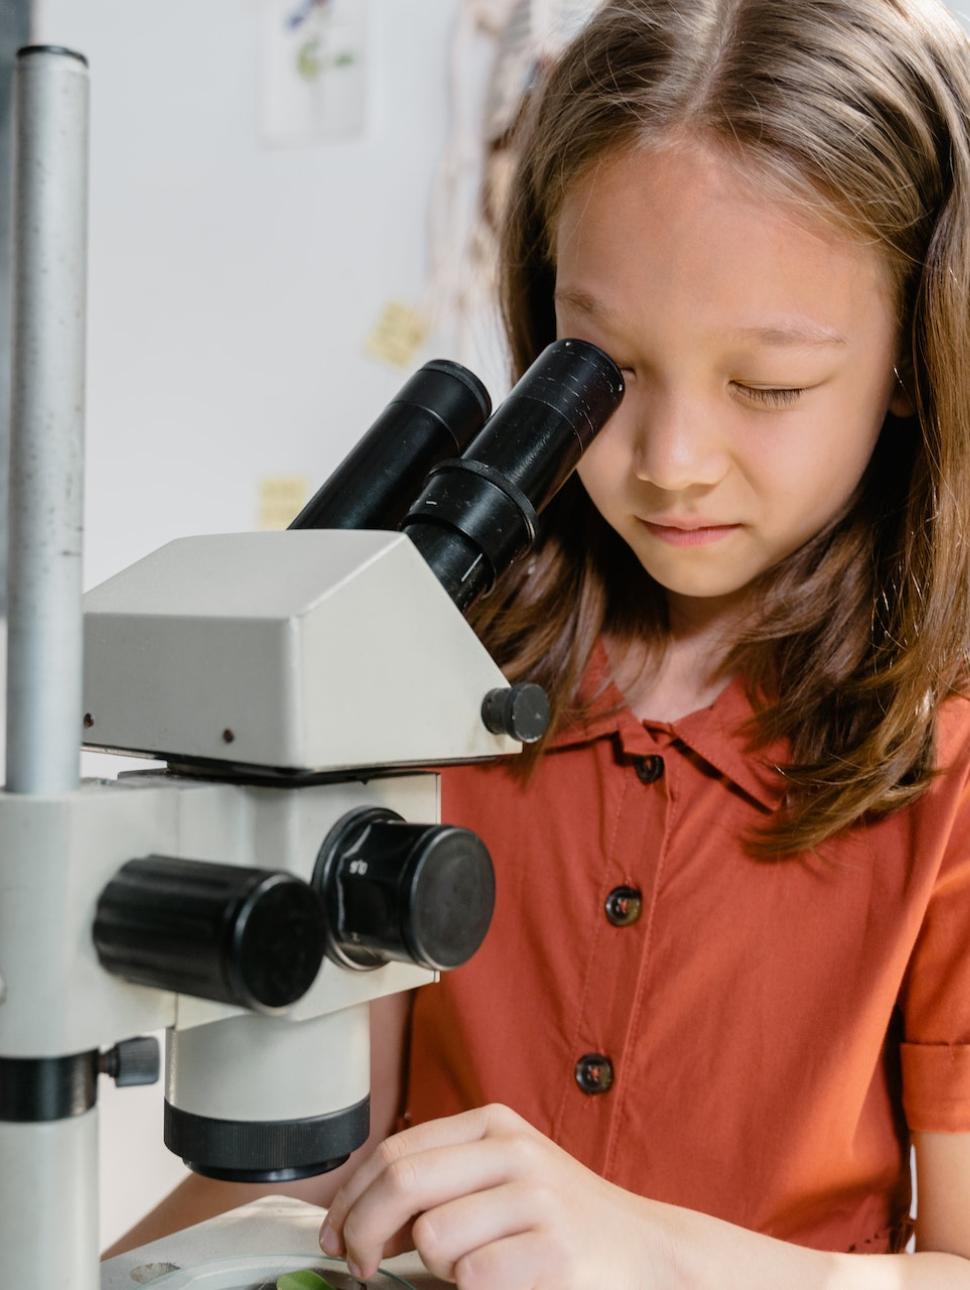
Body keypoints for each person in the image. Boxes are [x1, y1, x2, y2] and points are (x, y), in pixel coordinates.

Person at [108, 0, 970, 1285]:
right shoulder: (427, 672)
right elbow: (298, 1165)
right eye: (607, 367)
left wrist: (650, 1252)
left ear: (909, 354)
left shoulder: (942, 757)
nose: (671, 466)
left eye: (768, 386)